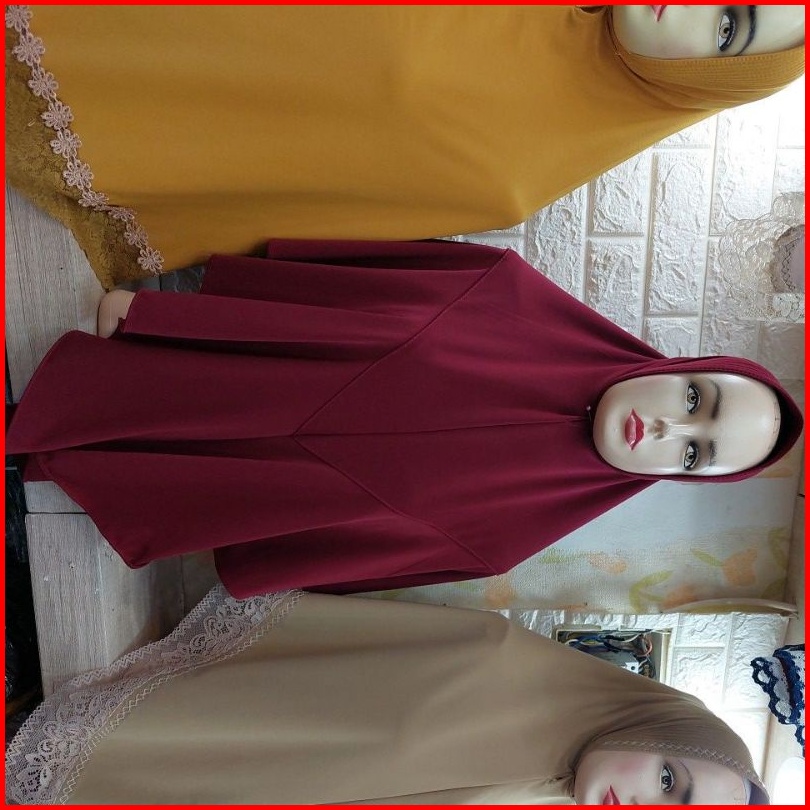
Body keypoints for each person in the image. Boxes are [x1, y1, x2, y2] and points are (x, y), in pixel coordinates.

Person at [5, 240, 803, 597]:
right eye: (695, 401)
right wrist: (161, 312)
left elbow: (298, 550)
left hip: (132, 491)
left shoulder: (501, 540)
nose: (667, 431)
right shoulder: (500, 292)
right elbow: (312, 303)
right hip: (124, 362)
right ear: (682, 366)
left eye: (694, 455)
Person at [5, 5, 804, 288]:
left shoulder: (509, 170)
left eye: (727, 26)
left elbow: (291, 181)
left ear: (713, 80)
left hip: (105, 96)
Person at [4, 586, 770, 804]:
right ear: (661, 723)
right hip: (196, 748)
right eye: (669, 779)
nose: (645, 803)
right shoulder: (494, 661)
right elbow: (301, 702)